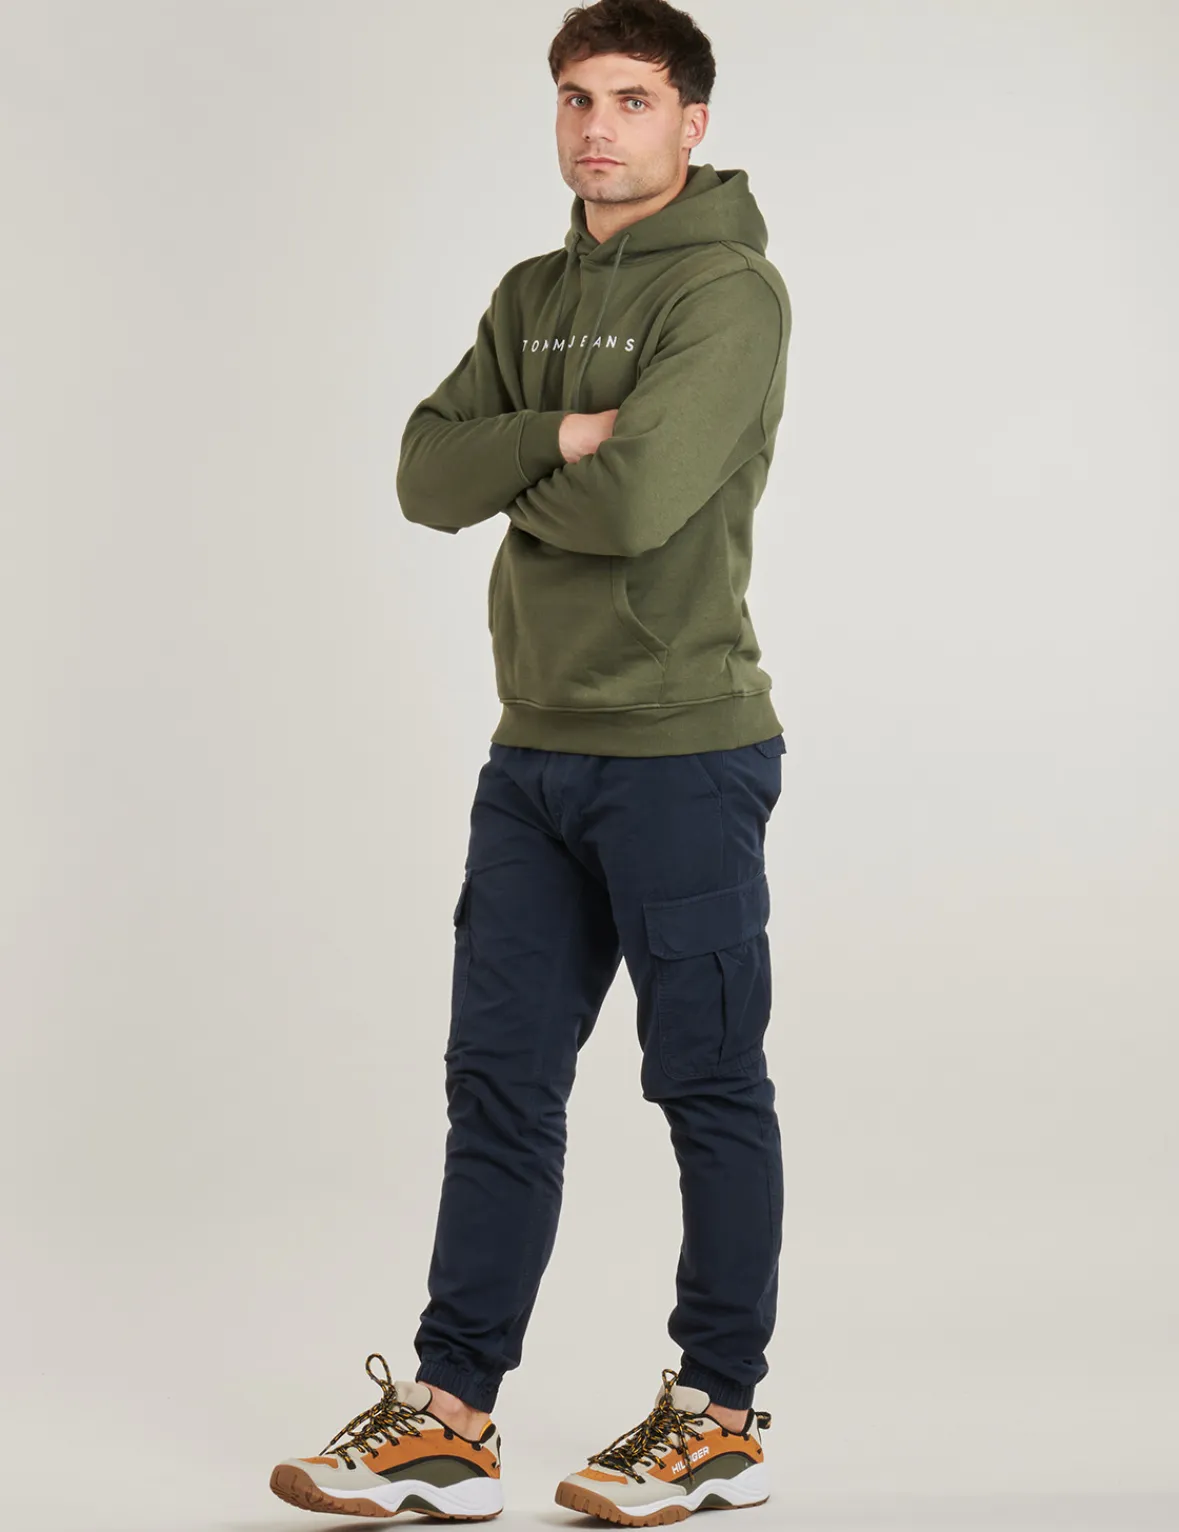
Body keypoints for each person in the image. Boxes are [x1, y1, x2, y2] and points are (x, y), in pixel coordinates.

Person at [270, 1, 790, 1522]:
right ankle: (450, 1420)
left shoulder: (731, 291)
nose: (597, 127)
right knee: (498, 1084)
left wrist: (523, 468)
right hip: (534, 755)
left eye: (631, 98)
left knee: (704, 1082)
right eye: (575, 98)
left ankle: (718, 1417)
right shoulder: (530, 293)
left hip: (683, 753)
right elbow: (424, 474)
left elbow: (640, 508)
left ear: (693, 121)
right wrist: (562, 435)